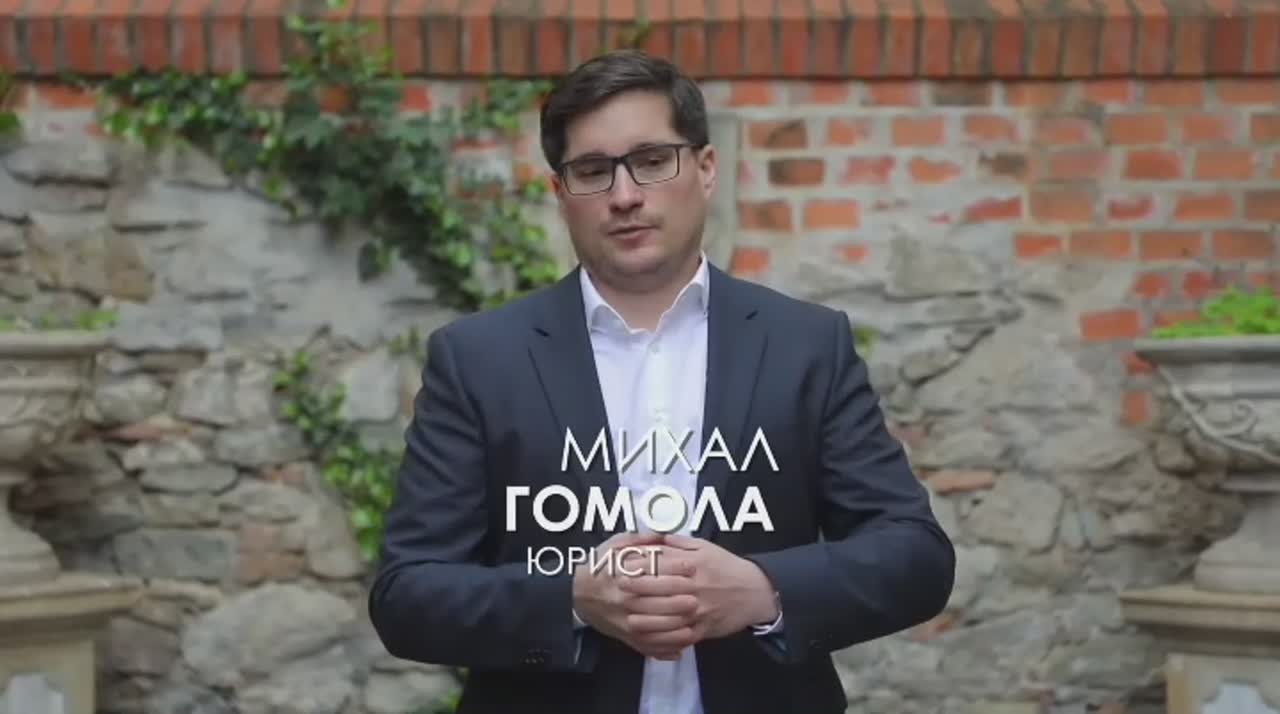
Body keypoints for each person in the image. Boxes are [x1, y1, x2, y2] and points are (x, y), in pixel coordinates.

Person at [367, 48, 956, 714]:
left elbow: (915, 557)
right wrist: (572, 599)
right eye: (593, 171)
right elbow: (407, 595)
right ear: (561, 194)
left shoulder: (805, 346)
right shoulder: (479, 359)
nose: (624, 195)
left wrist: (763, 590)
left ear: (705, 168)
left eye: (652, 160)